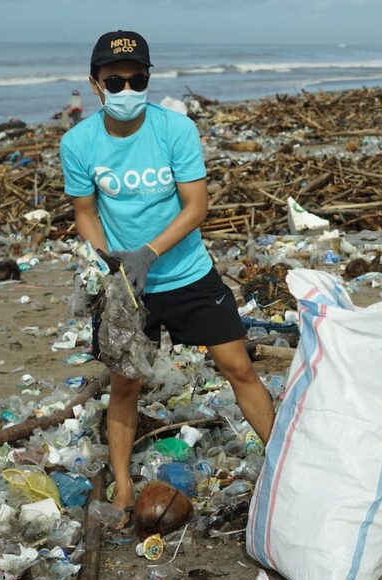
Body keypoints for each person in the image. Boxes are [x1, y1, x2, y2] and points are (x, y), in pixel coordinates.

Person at [59, 30, 275, 524]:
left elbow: (196, 205)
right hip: (126, 292)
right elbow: (86, 211)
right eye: (116, 81)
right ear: (96, 84)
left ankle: (286, 463)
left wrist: (148, 253)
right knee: (125, 385)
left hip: (187, 274)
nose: (127, 89)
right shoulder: (78, 142)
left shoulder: (175, 130)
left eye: (137, 79)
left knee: (238, 366)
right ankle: (122, 488)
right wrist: (106, 261)